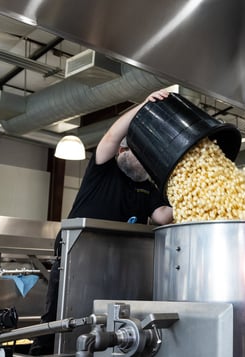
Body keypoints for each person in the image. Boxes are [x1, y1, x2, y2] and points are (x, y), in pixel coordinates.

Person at [29, 89, 173, 355]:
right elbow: (111, 135)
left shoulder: (147, 186)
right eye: (139, 153)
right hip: (79, 248)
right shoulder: (104, 166)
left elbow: (163, 215)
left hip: (119, 257)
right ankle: (46, 350)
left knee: (108, 314)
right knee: (61, 311)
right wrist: (144, 106)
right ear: (122, 151)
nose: (144, 162)